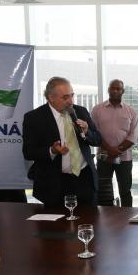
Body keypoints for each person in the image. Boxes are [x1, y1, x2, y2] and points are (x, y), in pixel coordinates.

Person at [22, 76, 102, 207]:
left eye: (72, 95)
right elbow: (28, 152)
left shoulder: (80, 111)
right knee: (56, 226)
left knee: (88, 223)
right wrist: (52, 150)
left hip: (84, 180)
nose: (71, 101)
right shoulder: (34, 118)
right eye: (65, 97)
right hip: (54, 184)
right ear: (51, 97)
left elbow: (98, 139)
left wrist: (87, 132)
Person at [91, 79, 138, 207]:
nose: (115, 91)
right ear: (108, 90)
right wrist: (109, 150)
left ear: (123, 91)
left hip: (124, 158)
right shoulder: (97, 110)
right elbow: (93, 133)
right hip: (104, 157)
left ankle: (127, 218)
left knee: (125, 190)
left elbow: (133, 135)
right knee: (103, 190)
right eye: (113, 88)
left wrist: (117, 151)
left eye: (118, 88)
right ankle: (104, 219)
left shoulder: (131, 111)